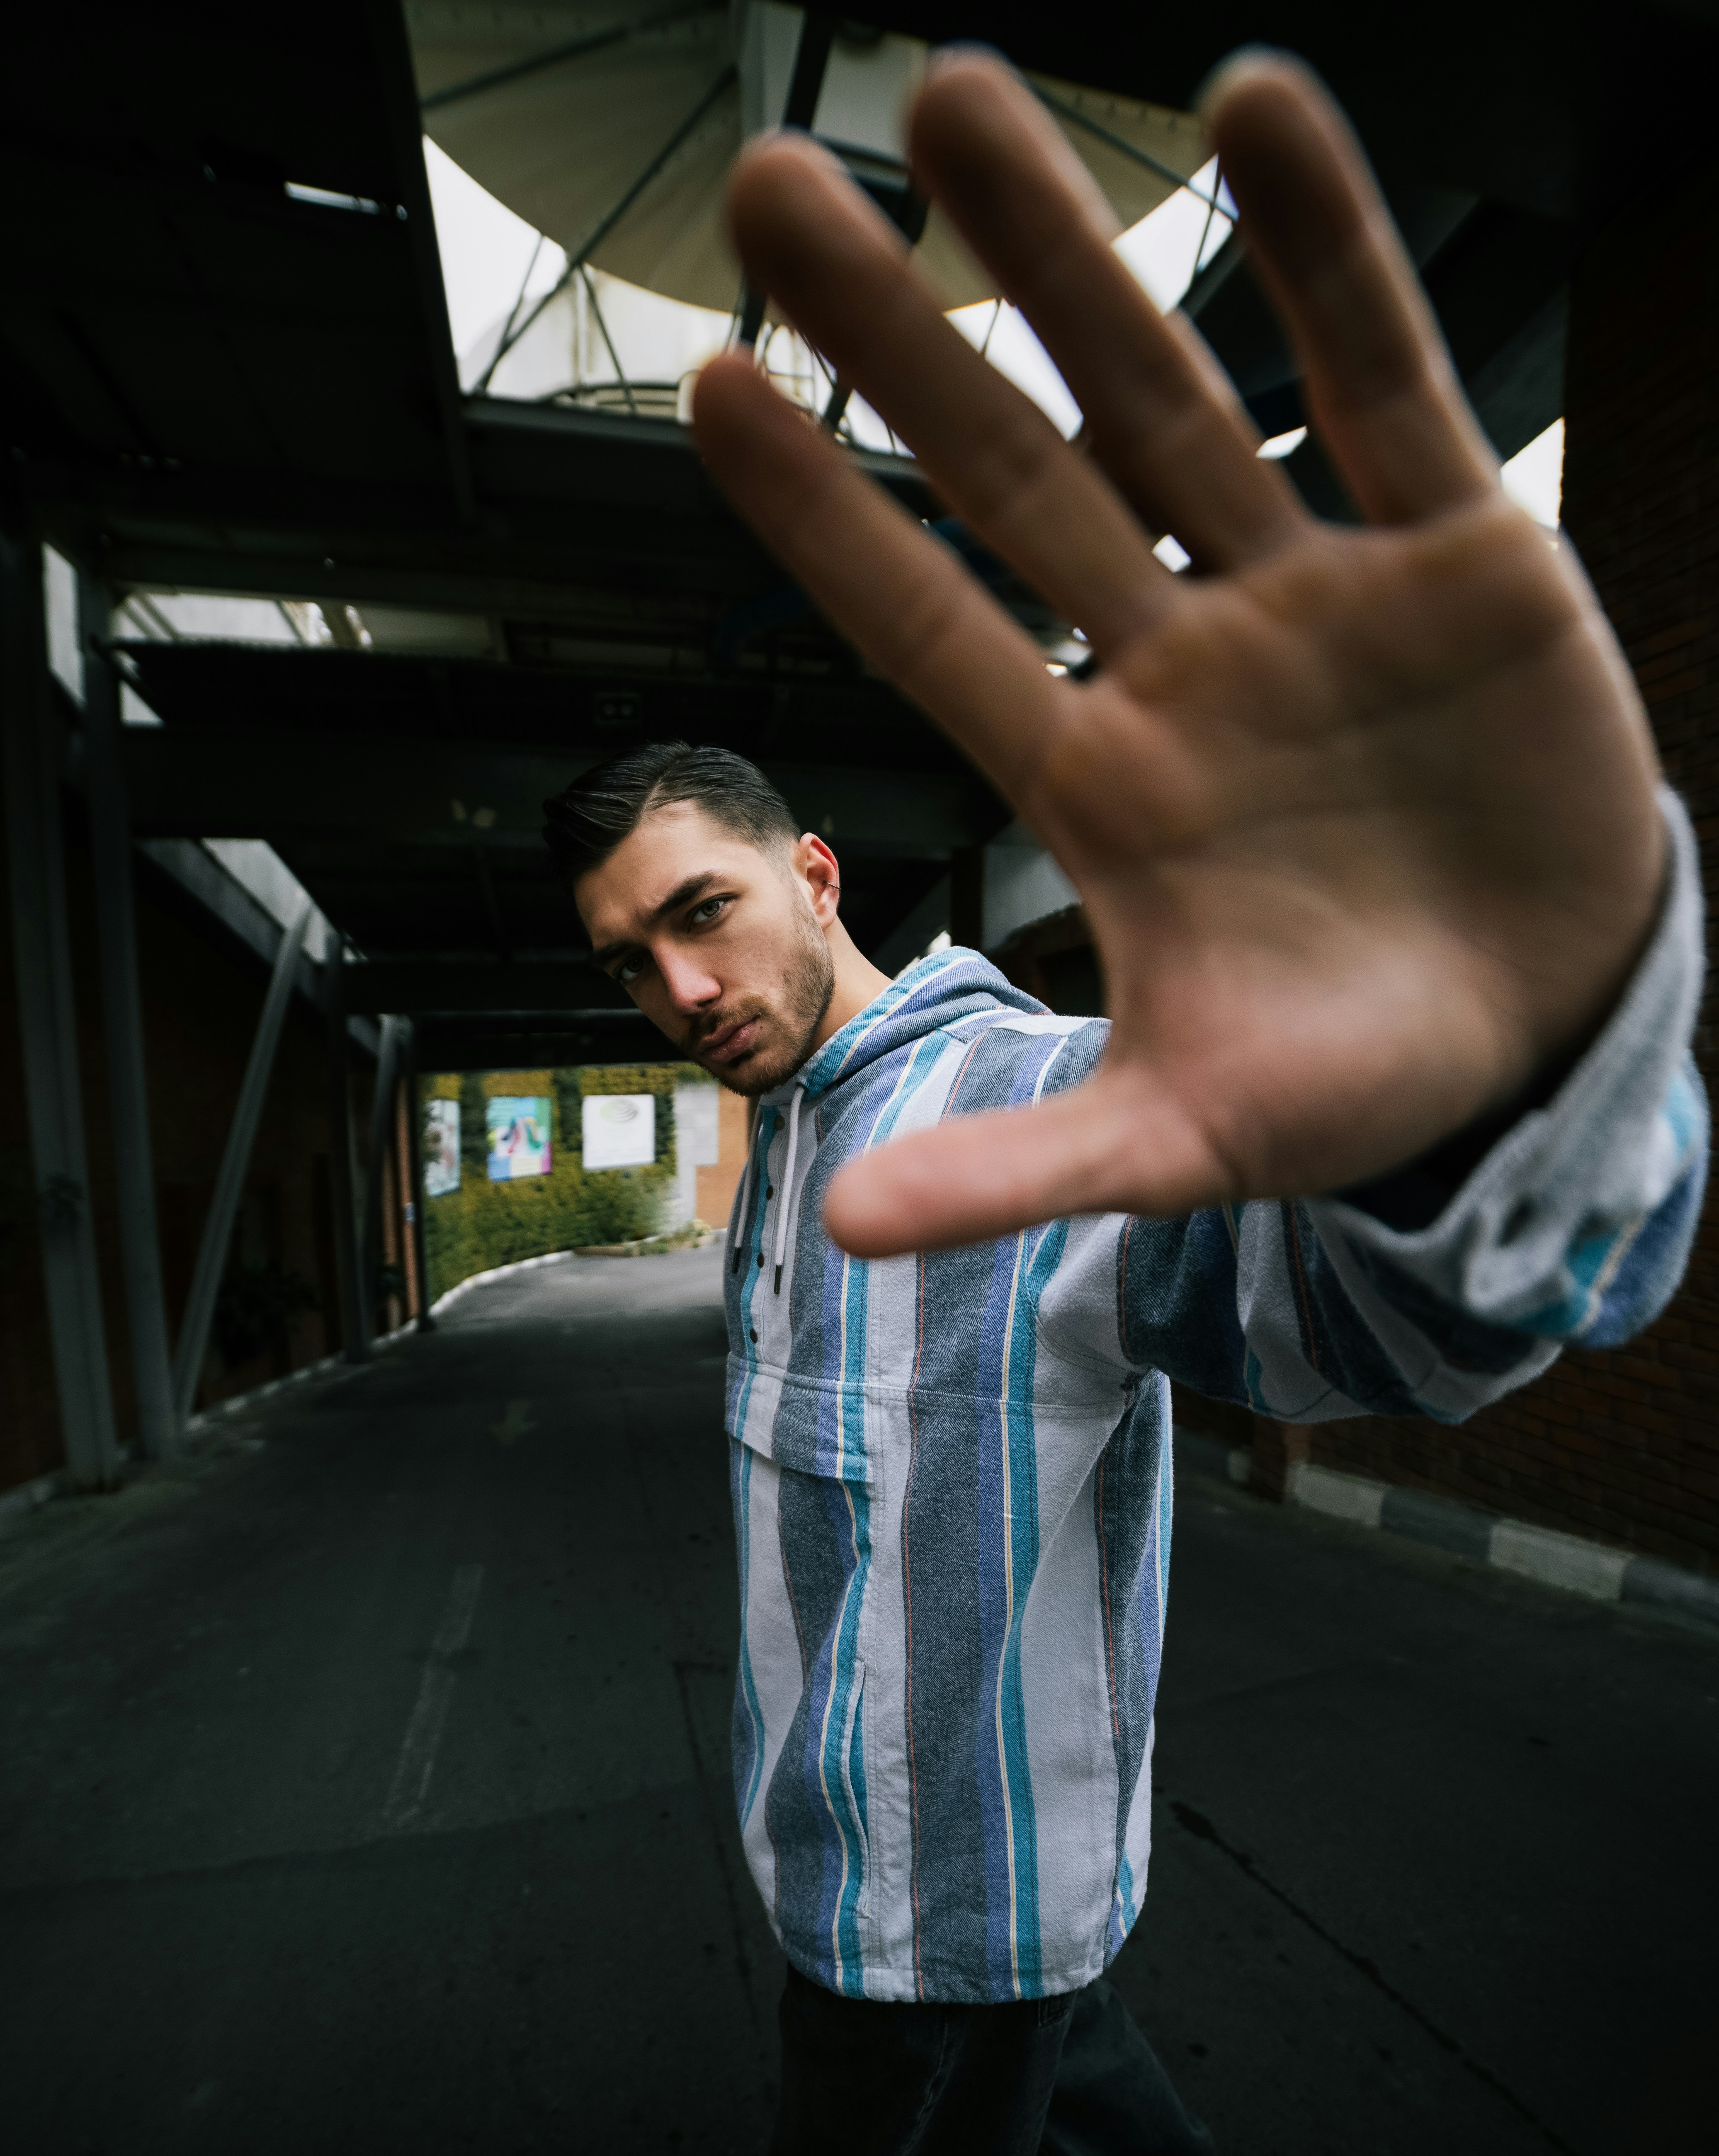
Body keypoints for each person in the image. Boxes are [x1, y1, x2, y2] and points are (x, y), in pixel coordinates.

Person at [543, 49, 1706, 2156]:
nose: (678, 987)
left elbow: (1395, 1330)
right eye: (628, 962)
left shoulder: (1044, 1104)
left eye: (700, 913)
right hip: (845, 1898)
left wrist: (1500, 1046)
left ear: (814, 871)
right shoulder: (782, 1148)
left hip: (945, 1950)